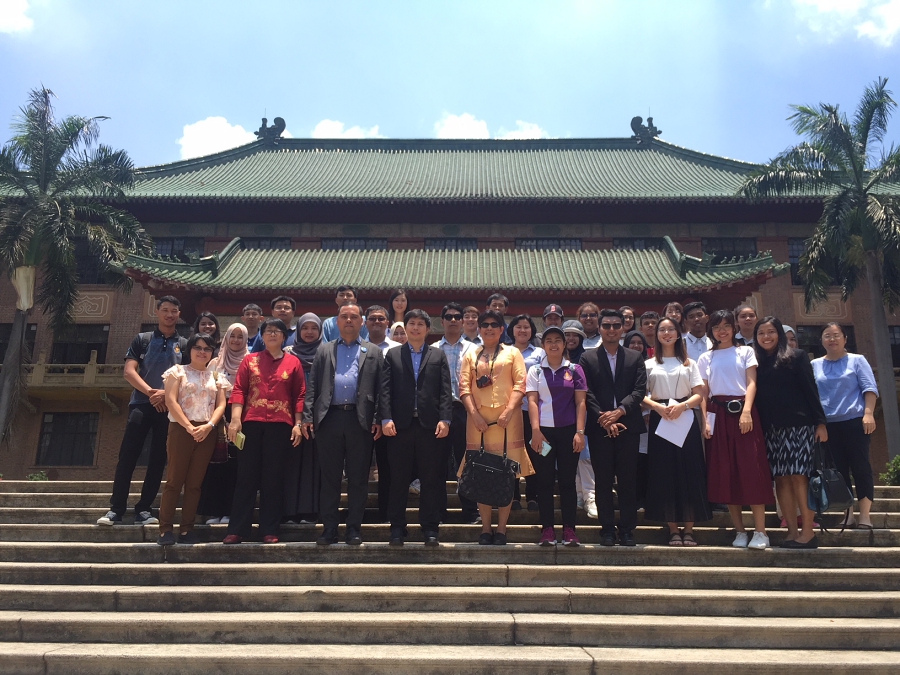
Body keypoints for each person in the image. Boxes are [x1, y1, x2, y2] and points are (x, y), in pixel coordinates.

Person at [98, 296, 188, 526]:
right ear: (157, 312)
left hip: (169, 409)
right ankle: (116, 509)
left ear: (179, 314)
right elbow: (129, 371)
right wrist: (152, 393)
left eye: (174, 310)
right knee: (128, 455)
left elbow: (188, 379)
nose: (170, 314)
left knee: (158, 458)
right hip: (141, 404)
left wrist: (166, 397)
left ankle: (144, 509)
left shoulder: (185, 344)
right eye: (165, 310)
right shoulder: (143, 339)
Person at [302, 303, 383, 546]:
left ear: (362, 322)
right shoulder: (324, 350)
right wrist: (308, 416)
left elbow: (381, 389)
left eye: (354, 317)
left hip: (361, 420)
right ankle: (329, 529)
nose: (349, 320)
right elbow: (313, 386)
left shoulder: (374, 351)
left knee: (358, 478)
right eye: (344, 317)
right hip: (329, 419)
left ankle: (354, 529)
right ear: (337, 322)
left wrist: (378, 417)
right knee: (330, 478)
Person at [223, 318, 305, 544]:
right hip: (251, 423)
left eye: (277, 332)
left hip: (281, 425)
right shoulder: (250, 361)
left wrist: (298, 424)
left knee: (273, 478)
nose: (272, 335)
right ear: (262, 335)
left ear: (283, 336)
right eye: (268, 331)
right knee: (246, 477)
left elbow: (299, 395)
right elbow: (239, 390)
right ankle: (237, 529)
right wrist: (235, 420)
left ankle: (269, 529)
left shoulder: (293, 363)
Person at [697, 310, 773, 550]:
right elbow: (703, 392)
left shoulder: (745, 351)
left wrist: (747, 411)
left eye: (727, 326)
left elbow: (752, 382)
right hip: (717, 414)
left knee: (752, 470)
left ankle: (761, 531)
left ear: (733, 328)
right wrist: (705, 421)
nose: (722, 331)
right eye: (718, 327)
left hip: (743, 413)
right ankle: (740, 531)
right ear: (712, 330)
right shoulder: (705, 358)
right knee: (725, 472)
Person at [459, 309, 535, 545]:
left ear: (502, 329)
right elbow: (464, 388)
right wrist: (474, 415)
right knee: (481, 473)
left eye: (494, 324)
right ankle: (485, 528)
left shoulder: (513, 353)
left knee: (505, 474)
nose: (489, 328)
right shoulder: (471, 355)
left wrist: (509, 410)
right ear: (479, 329)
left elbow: (521, 383)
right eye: (484, 324)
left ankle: (501, 529)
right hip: (478, 423)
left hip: (508, 420)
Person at [381, 309, 453, 546]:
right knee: (398, 478)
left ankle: (430, 528)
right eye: (411, 323)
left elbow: (445, 391)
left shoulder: (437, 355)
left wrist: (446, 418)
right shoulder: (392, 355)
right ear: (406, 327)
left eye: (420, 324)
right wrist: (385, 418)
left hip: (429, 426)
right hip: (399, 426)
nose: (415, 328)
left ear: (427, 329)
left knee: (430, 478)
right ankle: (397, 528)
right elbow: (385, 391)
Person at [754, 316, 827, 549]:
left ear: (780, 334)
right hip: (771, 430)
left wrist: (820, 423)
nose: (766, 337)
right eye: (761, 333)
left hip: (799, 427)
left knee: (799, 478)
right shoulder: (755, 362)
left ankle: (808, 531)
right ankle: (791, 532)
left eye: (771, 332)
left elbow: (810, 390)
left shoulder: (797, 357)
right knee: (781, 480)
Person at [580, 309, 647, 546]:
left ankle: (627, 530)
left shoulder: (634, 357)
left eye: (616, 325)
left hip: (628, 425)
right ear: (599, 328)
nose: (611, 330)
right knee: (604, 480)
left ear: (623, 328)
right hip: (599, 428)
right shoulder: (587, 358)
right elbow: (585, 391)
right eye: (606, 325)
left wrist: (619, 412)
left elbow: (639, 391)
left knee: (628, 480)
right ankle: (607, 529)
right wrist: (603, 418)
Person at [643, 318, 711, 547]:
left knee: (690, 470)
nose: (666, 333)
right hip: (660, 419)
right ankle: (672, 529)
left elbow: (699, 393)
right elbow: (640, 394)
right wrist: (657, 407)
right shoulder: (649, 364)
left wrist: (683, 406)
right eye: (662, 330)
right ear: (657, 335)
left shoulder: (689, 364)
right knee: (665, 472)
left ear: (678, 333)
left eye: (671, 329)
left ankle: (689, 528)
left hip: (685, 418)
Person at [157, 333, 230, 545]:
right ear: (189, 349)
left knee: (195, 484)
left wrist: (209, 426)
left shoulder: (217, 377)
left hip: (206, 431)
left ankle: (187, 529)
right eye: (197, 347)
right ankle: (165, 529)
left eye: (207, 349)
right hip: (181, 429)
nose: (202, 352)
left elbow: (221, 405)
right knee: (174, 481)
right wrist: (189, 427)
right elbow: (171, 401)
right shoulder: (177, 372)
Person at [812, 322, 879, 530]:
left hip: (855, 422)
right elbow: (812, 397)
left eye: (836, 335)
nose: (832, 339)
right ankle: (848, 514)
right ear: (821, 340)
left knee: (860, 468)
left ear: (845, 338)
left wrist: (868, 413)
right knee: (838, 472)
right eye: (827, 336)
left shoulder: (857, 360)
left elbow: (869, 388)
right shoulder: (814, 364)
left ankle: (865, 515)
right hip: (829, 426)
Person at [526, 326, 587, 546]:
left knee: (568, 482)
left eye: (557, 340)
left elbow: (581, 402)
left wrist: (580, 433)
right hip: (543, 434)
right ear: (543, 346)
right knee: (544, 481)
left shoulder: (575, 369)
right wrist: (535, 431)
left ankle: (570, 529)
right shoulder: (536, 371)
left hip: (568, 433)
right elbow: (532, 401)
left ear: (564, 344)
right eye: (549, 341)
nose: (553, 344)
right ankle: (547, 530)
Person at [199, 323, 249, 526]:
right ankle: (214, 510)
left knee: (237, 465)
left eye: (240, 336)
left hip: (241, 415)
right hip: (216, 417)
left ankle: (231, 511)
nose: (236, 340)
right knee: (217, 464)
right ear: (226, 338)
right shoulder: (214, 363)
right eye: (232, 336)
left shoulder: (251, 361)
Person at [436, 302, 478, 523]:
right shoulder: (433, 348)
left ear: (463, 321)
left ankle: (470, 511)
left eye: (457, 317)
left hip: (466, 410)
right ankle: (439, 512)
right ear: (441, 321)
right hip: (439, 412)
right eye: (448, 316)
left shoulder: (473, 349)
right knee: (438, 463)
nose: (453, 320)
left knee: (467, 461)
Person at [282, 313, 323, 524]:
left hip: (318, 417)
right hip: (291, 416)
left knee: (313, 466)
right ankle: (289, 511)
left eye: (313, 328)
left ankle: (310, 511)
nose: (309, 332)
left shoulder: (326, 352)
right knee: (290, 464)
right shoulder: (288, 354)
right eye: (305, 328)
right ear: (298, 330)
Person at [365, 304, 400, 521]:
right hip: (360, 415)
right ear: (365, 322)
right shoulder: (357, 346)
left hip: (390, 416)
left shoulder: (397, 349)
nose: (377, 322)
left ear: (388, 322)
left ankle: (387, 512)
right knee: (357, 467)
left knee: (388, 466)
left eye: (381, 319)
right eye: (373, 318)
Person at [507, 314, 545, 511]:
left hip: (532, 411)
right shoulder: (505, 351)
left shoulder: (539, 352)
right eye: (518, 326)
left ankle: (533, 495)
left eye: (527, 327)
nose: (523, 330)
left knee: (535, 451)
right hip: (510, 411)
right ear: (512, 330)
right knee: (511, 452)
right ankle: (512, 496)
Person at [623, 330, 651, 510]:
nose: (636, 346)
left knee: (648, 462)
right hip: (628, 417)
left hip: (651, 417)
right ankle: (636, 499)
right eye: (632, 342)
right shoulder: (624, 364)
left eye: (639, 342)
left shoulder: (651, 364)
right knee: (634, 463)